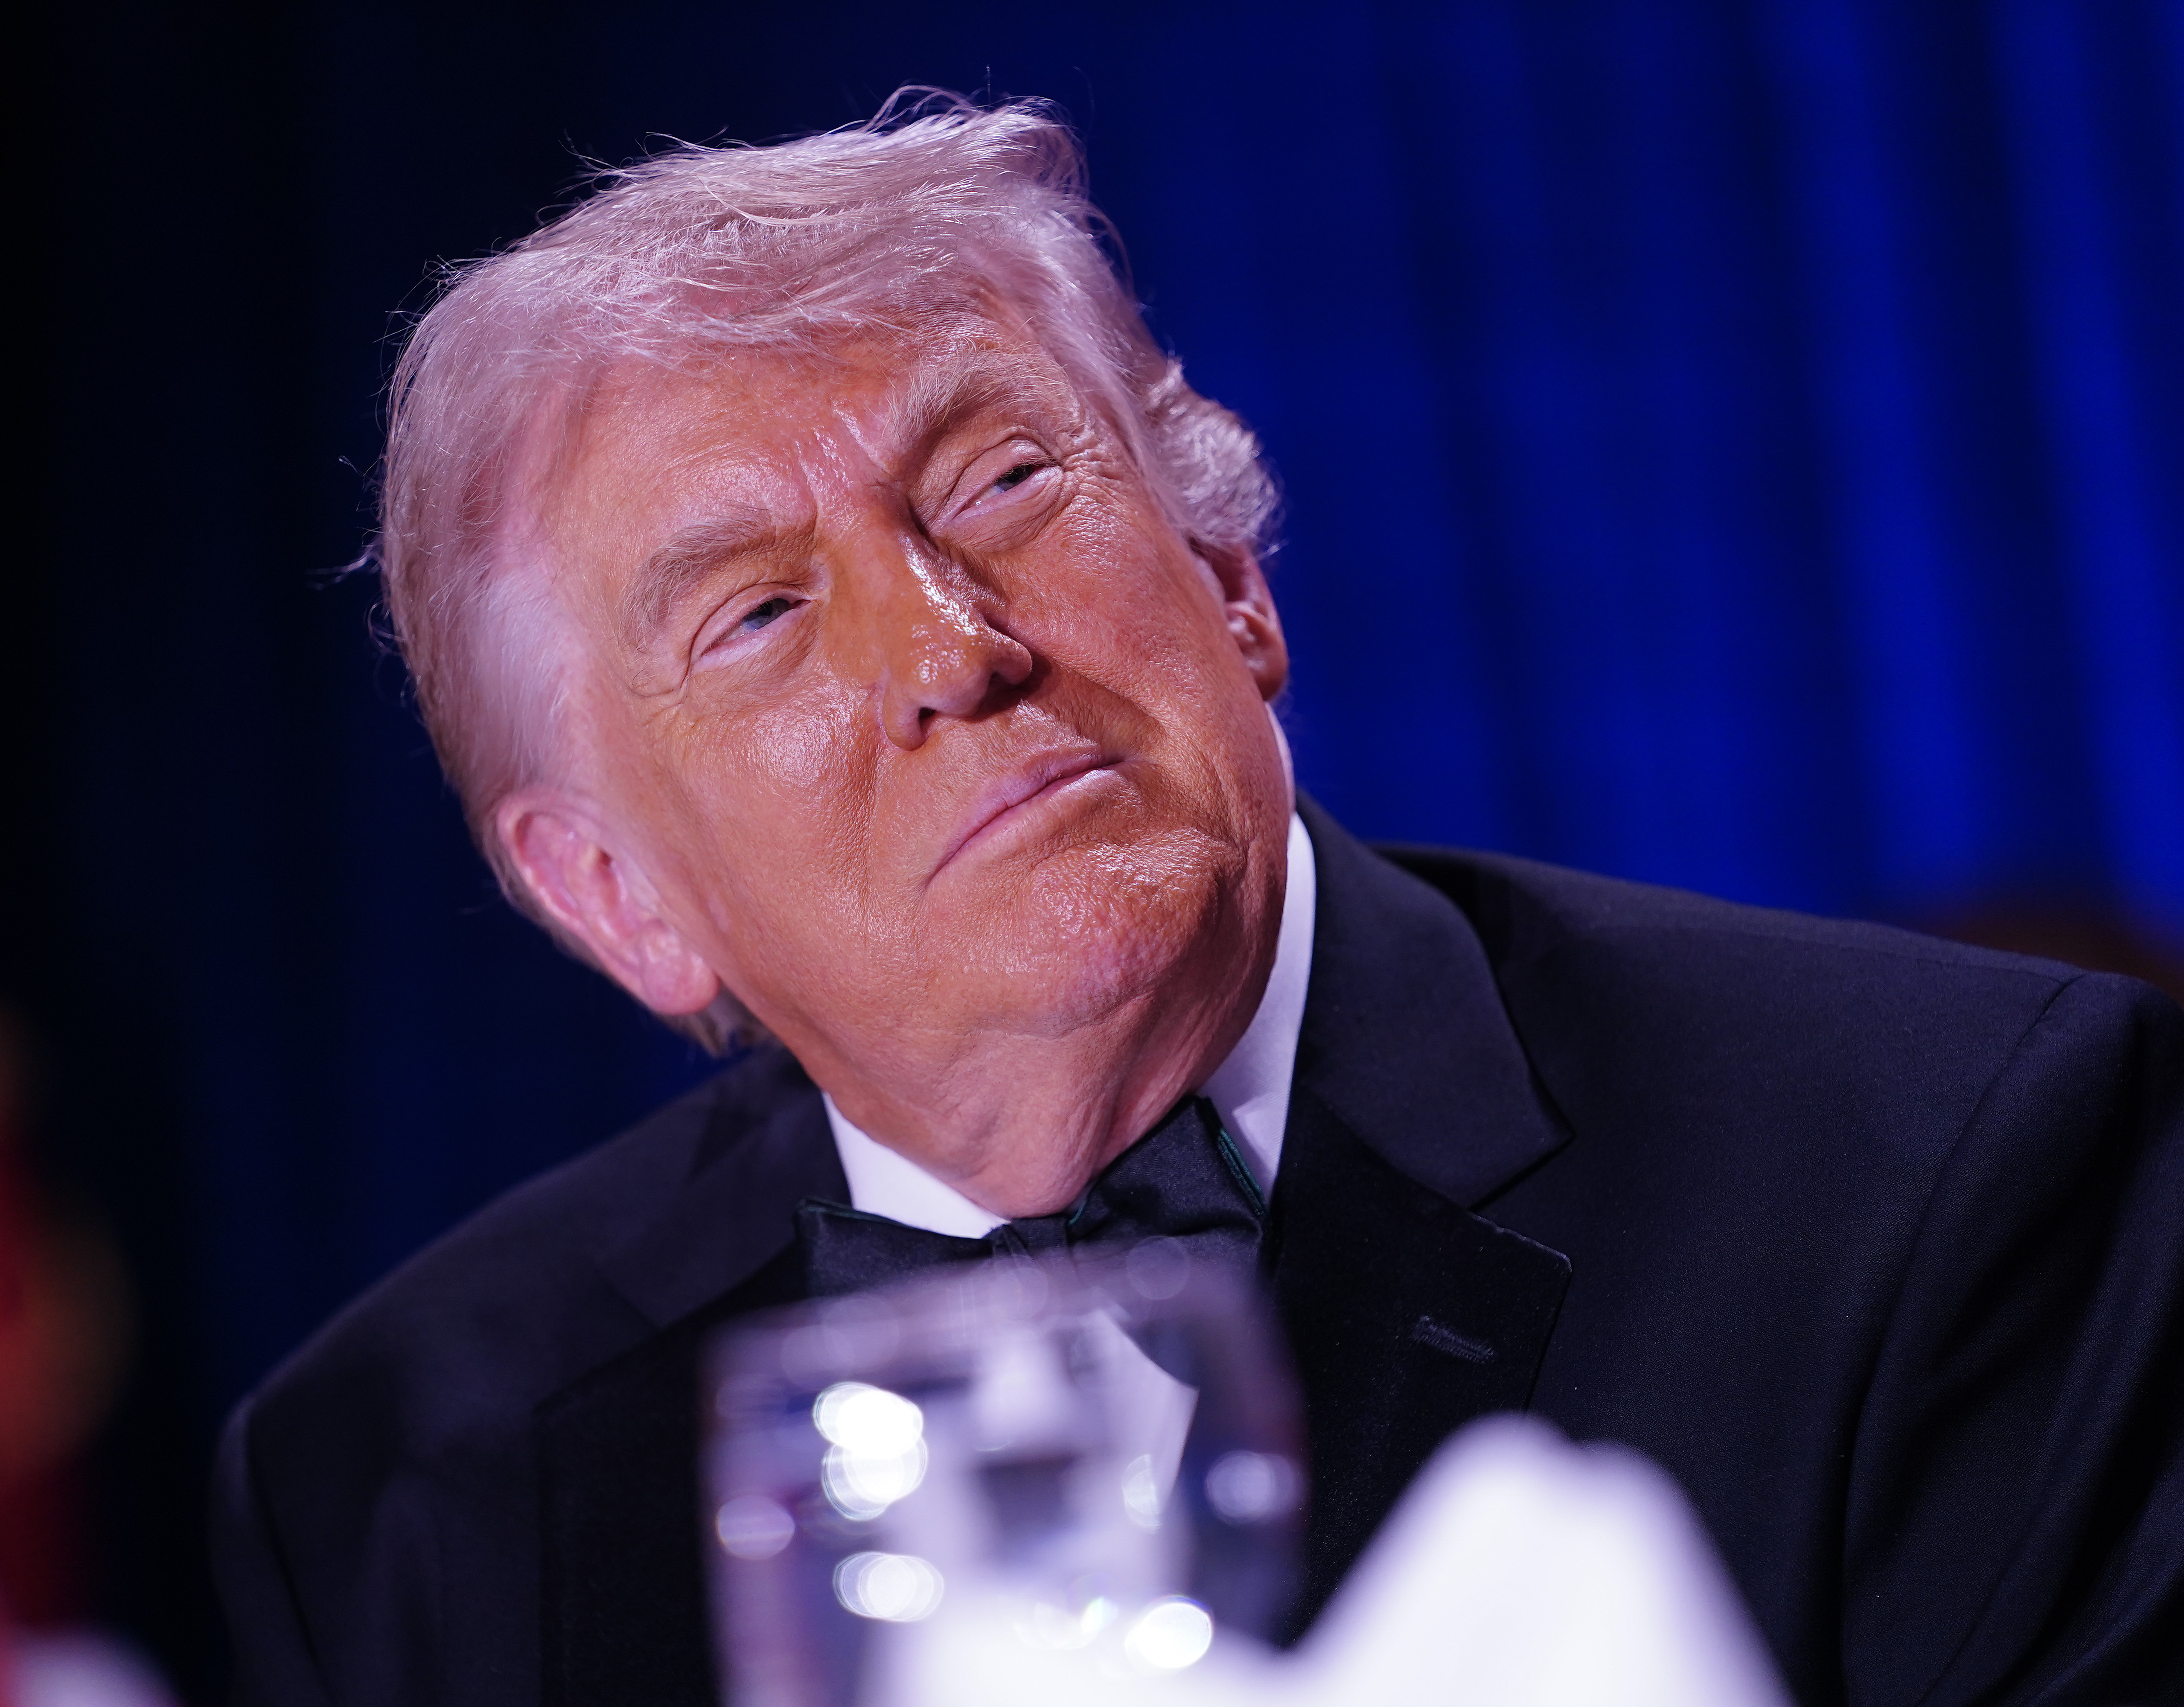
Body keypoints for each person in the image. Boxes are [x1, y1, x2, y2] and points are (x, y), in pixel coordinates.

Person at [210, 96, 2183, 1707]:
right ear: (621, 898)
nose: (947, 648)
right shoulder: (395, 1484)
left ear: (1235, 581)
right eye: (759, 612)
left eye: (997, 483)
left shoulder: (1953, 1170)